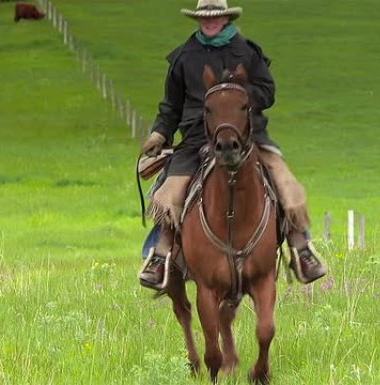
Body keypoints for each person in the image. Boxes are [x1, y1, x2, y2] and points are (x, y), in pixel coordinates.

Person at [139, 0, 327, 290]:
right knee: (169, 190)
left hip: (247, 133)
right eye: (205, 17)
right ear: (198, 19)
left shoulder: (246, 51)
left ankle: (301, 248)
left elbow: (268, 91)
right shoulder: (185, 56)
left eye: (215, 16)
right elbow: (171, 105)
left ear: (225, 18)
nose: (210, 21)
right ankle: (160, 256)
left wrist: (235, 99)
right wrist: (159, 133)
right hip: (196, 136)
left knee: (282, 178)